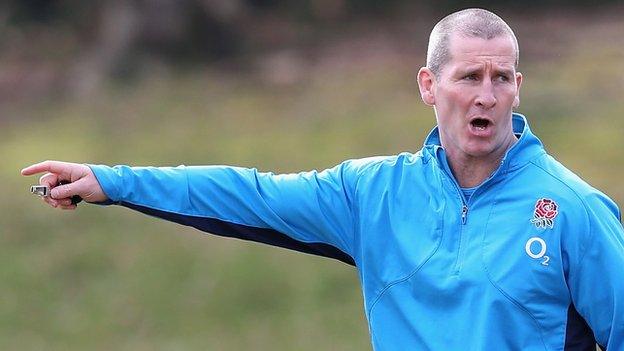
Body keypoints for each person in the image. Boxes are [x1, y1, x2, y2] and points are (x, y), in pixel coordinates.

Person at [21, 8, 623, 350]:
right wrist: (114, 182)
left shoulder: (572, 210)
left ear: (519, 86)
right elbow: (248, 195)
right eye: (469, 77)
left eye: (502, 78)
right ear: (428, 86)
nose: (486, 96)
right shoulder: (372, 195)